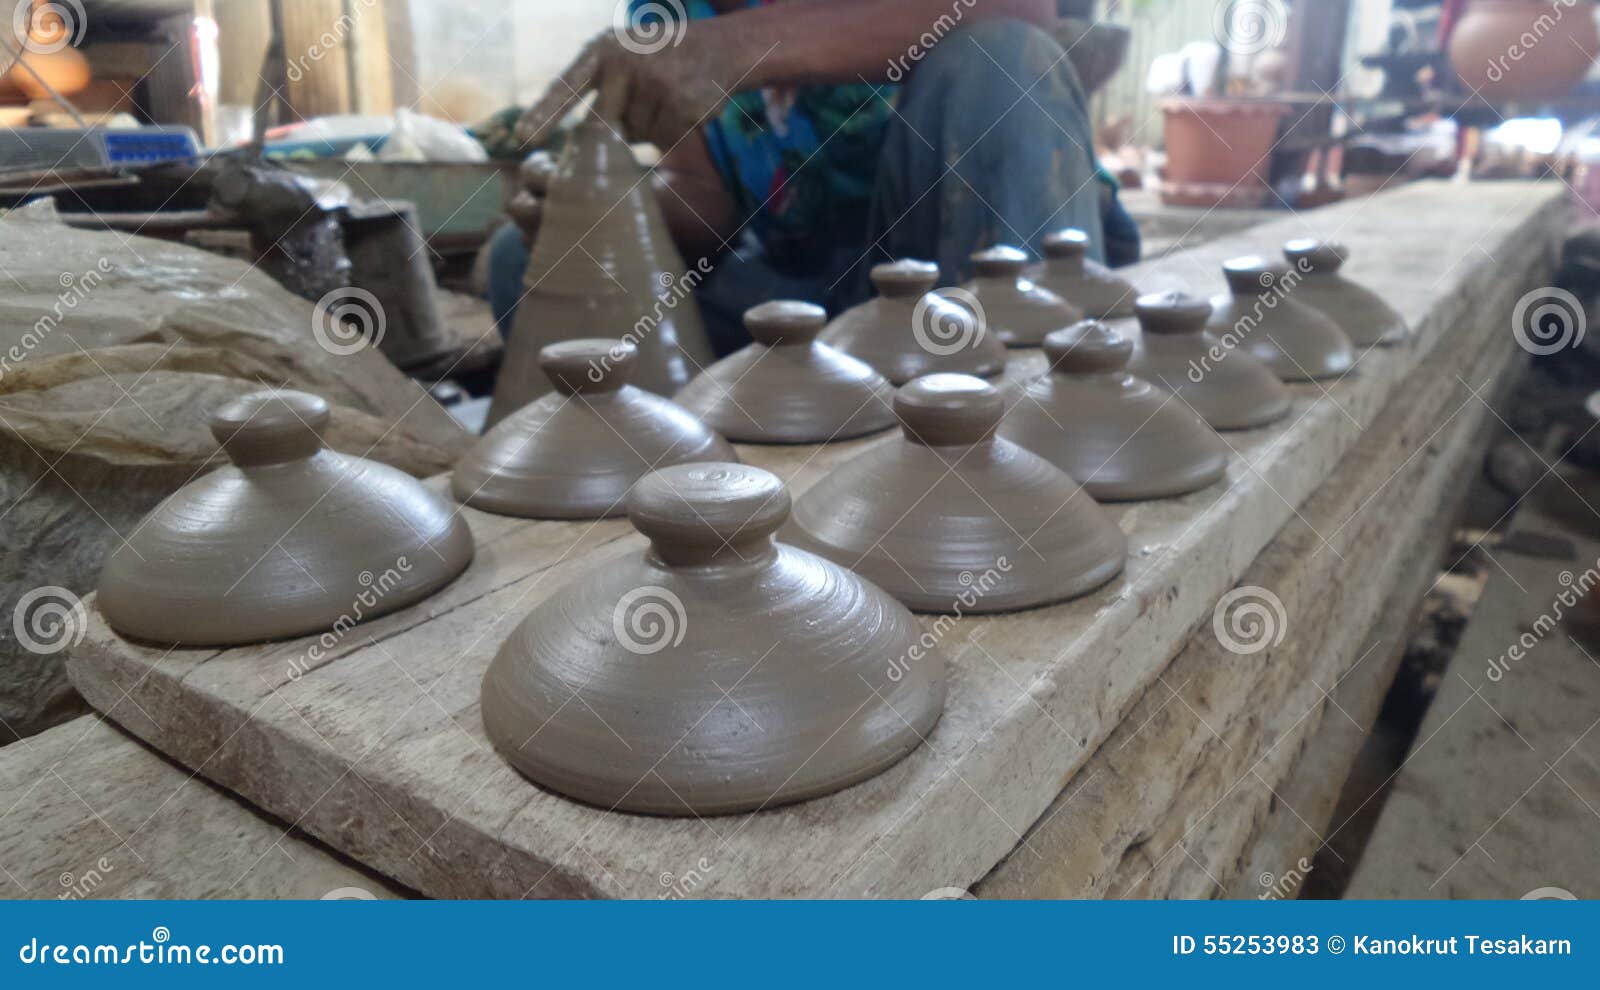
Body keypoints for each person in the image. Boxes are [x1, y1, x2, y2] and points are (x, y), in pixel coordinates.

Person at [489, 0, 1139, 352]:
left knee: (1002, 59)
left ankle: (1035, 425)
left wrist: (745, 46)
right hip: (822, 292)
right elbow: (704, 195)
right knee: (527, 259)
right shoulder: (670, 14)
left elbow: (1022, 11)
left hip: (965, 260)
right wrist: (613, 212)